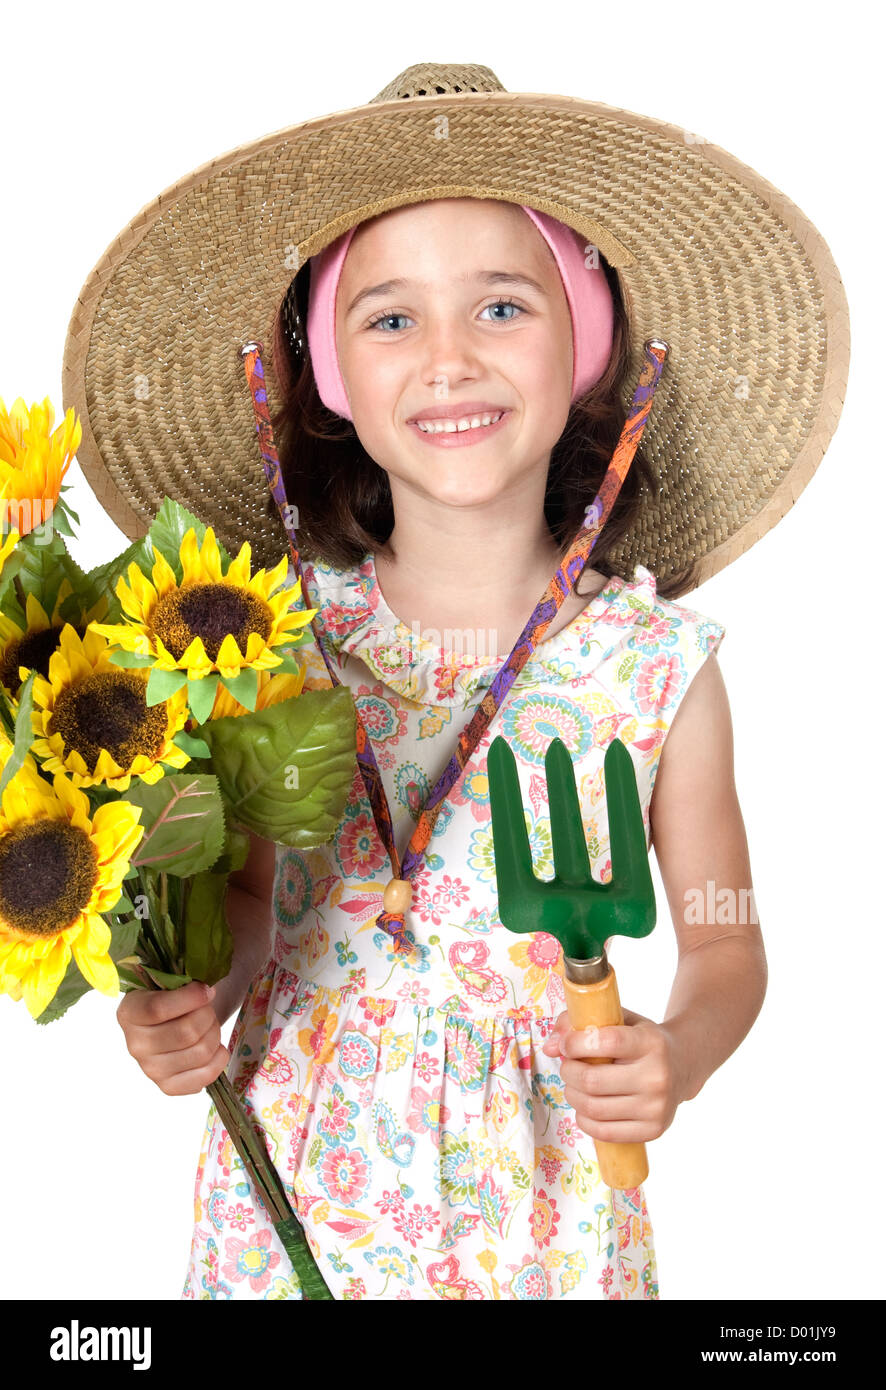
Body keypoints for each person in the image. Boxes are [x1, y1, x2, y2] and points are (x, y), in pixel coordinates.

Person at [75, 62, 848, 1300]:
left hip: (542, 1213)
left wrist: (677, 1050)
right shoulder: (273, 645)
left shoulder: (652, 671)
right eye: (389, 318)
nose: (447, 358)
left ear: (586, 348)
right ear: (331, 380)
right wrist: (192, 993)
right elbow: (261, 905)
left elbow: (725, 938)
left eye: (501, 307)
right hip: (303, 1204)